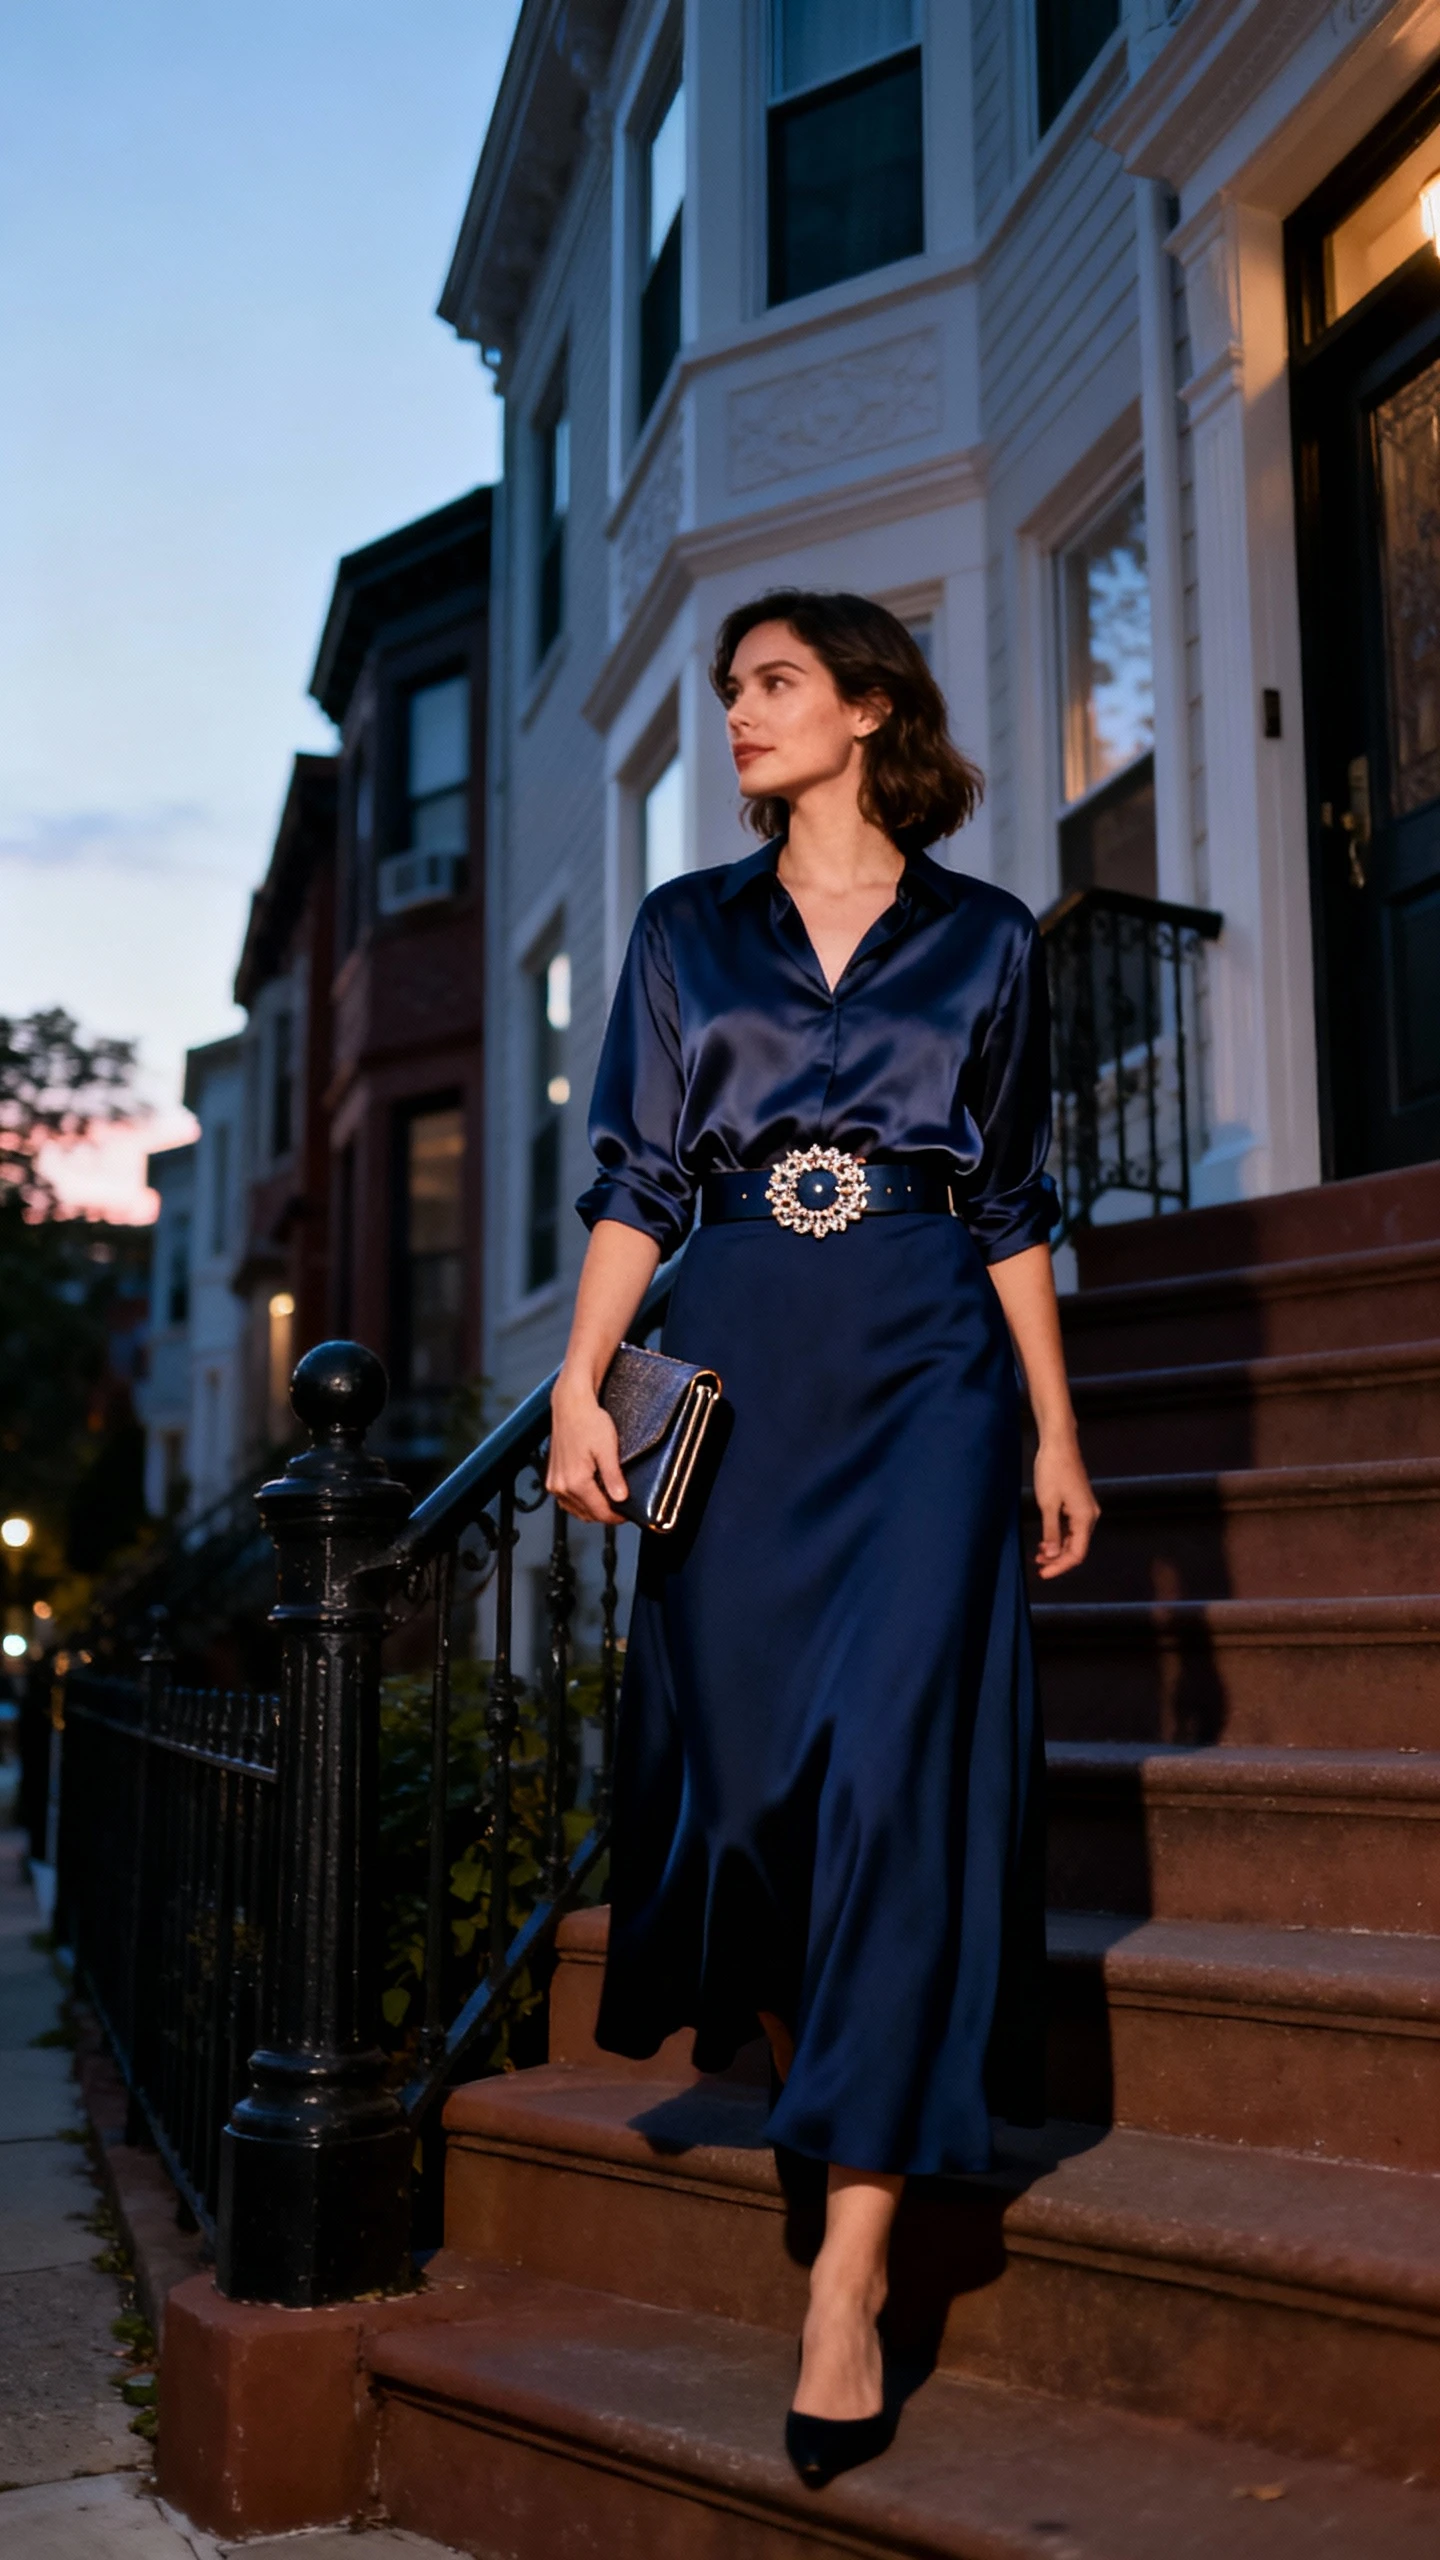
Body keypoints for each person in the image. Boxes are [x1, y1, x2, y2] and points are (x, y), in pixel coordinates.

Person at [547, 587, 1099, 2487]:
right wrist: (575, 1381)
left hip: (934, 1372)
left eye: (773, 685)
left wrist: (1054, 1427)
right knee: (761, 1783)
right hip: (742, 1365)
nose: (738, 717)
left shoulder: (989, 939)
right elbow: (633, 1172)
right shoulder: (683, 931)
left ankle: (849, 2273)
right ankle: (829, 2047)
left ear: (870, 710)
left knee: (892, 1783)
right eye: (728, 694)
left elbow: (1017, 1196)